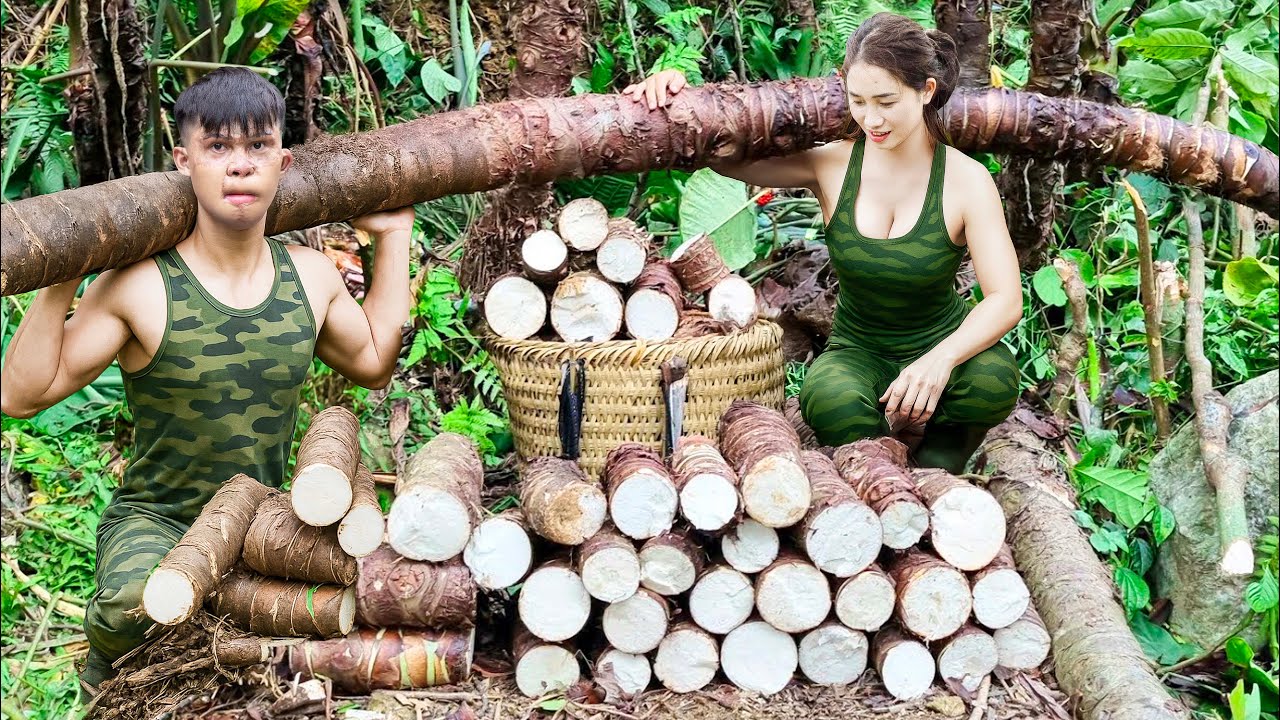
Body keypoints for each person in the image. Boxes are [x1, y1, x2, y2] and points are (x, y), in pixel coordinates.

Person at [0, 67, 413, 697]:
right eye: (218, 147)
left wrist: (396, 236)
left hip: (263, 521)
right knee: (136, 603)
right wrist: (64, 274)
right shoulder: (139, 284)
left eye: (257, 146)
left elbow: (375, 361)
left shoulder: (310, 277)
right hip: (159, 521)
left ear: (282, 162)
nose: (239, 165)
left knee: (370, 600)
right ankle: (107, 688)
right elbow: (20, 396)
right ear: (184, 160)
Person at [624, 13, 1022, 472]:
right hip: (860, 350)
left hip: (940, 337)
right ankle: (883, 470)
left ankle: (938, 466)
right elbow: (724, 157)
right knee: (830, 401)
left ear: (926, 91)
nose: (871, 119)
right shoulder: (831, 165)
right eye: (858, 101)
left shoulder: (967, 180)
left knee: (992, 381)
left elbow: (1005, 298)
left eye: (886, 102)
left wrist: (940, 360)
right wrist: (680, 100)